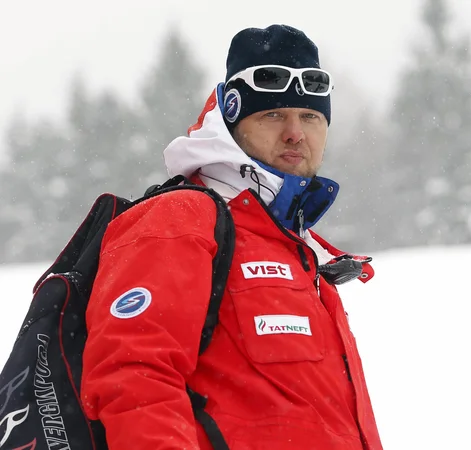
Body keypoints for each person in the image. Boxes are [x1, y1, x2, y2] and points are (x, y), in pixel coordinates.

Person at [80, 24, 383, 450]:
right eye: (273, 114)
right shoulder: (179, 218)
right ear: (232, 124)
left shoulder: (300, 249)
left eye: (311, 116)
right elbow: (133, 378)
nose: (296, 132)